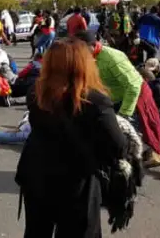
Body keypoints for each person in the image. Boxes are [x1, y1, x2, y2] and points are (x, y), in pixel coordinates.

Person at [15, 40, 127, 238]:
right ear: (84, 64)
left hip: (36, 173)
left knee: (36, 231)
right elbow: (118, 146)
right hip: (77, 180)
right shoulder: (95, 100)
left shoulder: (37, 92)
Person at [74, 31, 160, 168]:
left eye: (81, 49)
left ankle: (138, 161)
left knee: (131, 131)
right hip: (114, 96)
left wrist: (125, 114)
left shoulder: (111, 56)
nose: (78, 53)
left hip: (135, 94)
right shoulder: (87, 58)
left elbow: (133, 86)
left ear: (92, 45)